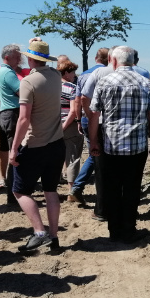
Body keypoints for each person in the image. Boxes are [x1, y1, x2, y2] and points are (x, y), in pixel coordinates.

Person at [88, 46, 150, 243]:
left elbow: (94, 115)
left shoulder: (104, 82)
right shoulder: (146, 83)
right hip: (137, 146)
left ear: (113, 61)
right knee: (132, 188)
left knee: (111, 188)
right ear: (133, 61)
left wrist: (93, 141)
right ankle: (129, 230)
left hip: (111, 146)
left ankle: (114, 231)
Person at [9, 40, 66, 251]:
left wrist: (14, 149)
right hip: (56, 143)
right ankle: (53, 236)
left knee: (20, 191)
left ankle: (39, 232)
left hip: (34, 145)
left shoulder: (28, 82)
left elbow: (24, 119)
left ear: (31, 58)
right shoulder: (56, 76)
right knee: (50, 191)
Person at [79, 47, 117, 220]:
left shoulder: (95, 73)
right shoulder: (139, 74)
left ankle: (101, 209)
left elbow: (83, 97)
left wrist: (89, 116)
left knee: (100, 166)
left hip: (99, 124)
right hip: (122, 129)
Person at [69, 47, 109, 205]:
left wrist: (79, 120)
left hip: (86, 118)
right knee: (97, 155)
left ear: (95, 58)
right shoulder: (109, 73)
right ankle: (78, 187)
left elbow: (78, 99)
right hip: (101, 119)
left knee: (94, 153)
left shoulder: (84, 75)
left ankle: (79, 187)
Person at [0, 43, 28, 207]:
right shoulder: (8, 73)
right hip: (12, 114)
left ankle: (15, 193)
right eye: (16, 56)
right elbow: (23, 92)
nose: (19, 59)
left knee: (16, 154)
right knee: (16, 155)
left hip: (8, 114)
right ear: (7, 57)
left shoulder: (4, 71)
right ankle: (14, 195)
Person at [58, 59, 84, 199]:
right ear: (67, 73)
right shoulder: (72, 88)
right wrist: (65, 126)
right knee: (72, 158)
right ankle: (71, 191)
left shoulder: (51, 87)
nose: (75, 74)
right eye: (73, 71)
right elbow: (74, 111)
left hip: (52, 126)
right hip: (70, 127)